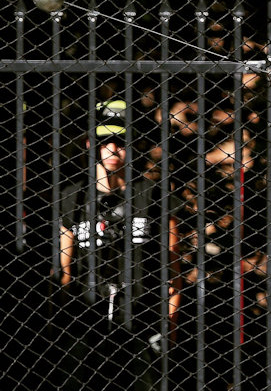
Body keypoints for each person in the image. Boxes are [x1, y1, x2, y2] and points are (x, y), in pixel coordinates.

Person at [56, 100, 182, 390]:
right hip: (86, 319)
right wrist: (61, 325)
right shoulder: (72, 198)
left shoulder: (152, 195)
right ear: (91, 144)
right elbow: (64, 272)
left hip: (141, 320)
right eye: (105, 142)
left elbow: (173, 270)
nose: (113, 150)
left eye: (122, 142)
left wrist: (169, 327)